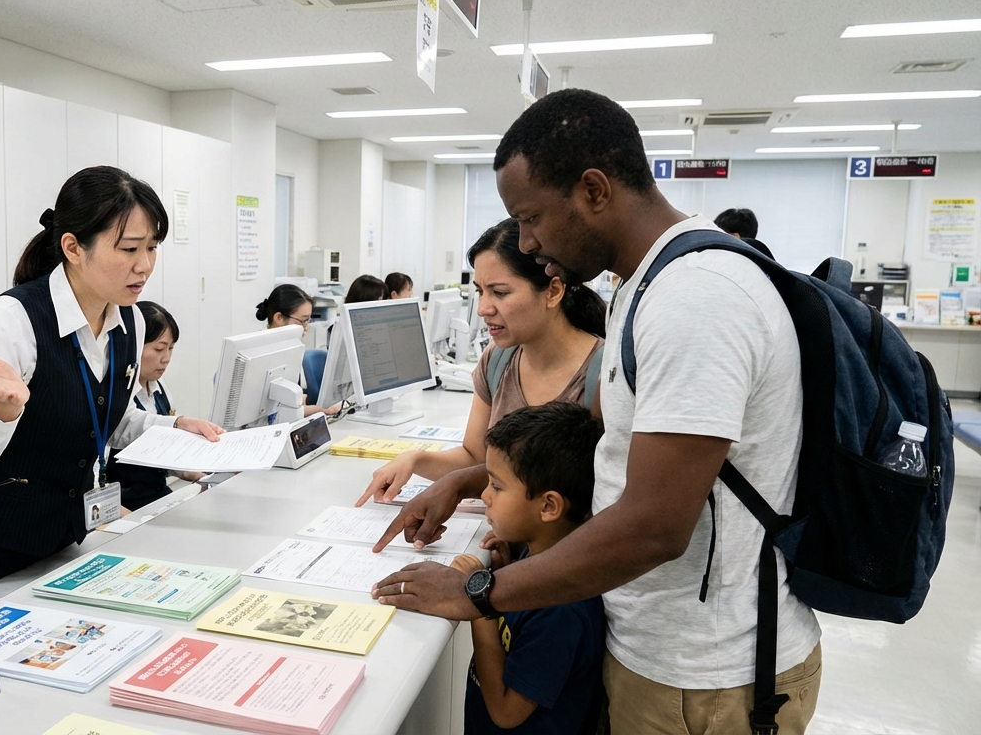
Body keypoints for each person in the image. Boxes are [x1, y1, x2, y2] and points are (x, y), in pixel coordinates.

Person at [370, 89, 821, 735]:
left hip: (708, 677)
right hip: (662, 651)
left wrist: (480, 592)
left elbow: (655, 526)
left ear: (594, 191)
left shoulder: (695, 299)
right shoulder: (647, 286)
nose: (526, 239)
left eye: (530, 218)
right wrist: (478, 491)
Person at [0, 165, 223, 585]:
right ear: (72, 247)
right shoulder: (12, 321)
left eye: (153, 248)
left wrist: (175, 428)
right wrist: (0, 412)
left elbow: (105, 420)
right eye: (128, 249)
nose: (145, 266)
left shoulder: (131, 322)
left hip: (59, 544)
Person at [356, 217, 606, 507]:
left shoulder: (603, 373)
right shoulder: (498, 359)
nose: (484, 308)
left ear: (552, 291)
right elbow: (476, 458)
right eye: (480, 291)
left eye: (500, 292)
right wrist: (415, 459)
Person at [449, 403, 605, 735]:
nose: (484, 495)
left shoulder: (562, 610)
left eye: (497, 486)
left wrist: (480, 607)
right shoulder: (538, 554)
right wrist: (505, 571)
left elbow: (507, 713)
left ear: (548, 506)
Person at [106, 300, 202, 510]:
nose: (166, 358)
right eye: (159, 349)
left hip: (158, 494)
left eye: (171, 348)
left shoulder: (158, 387)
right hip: (125, 502)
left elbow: (161, 450)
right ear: (133, 346)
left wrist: (190, 471)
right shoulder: (115, 393)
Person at [255, 285, 340, 418]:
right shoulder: (258, 354)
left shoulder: (293, 348)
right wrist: (311, 410)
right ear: (279, 318)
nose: (306, 327)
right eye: (303, 320)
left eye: (308, 320)